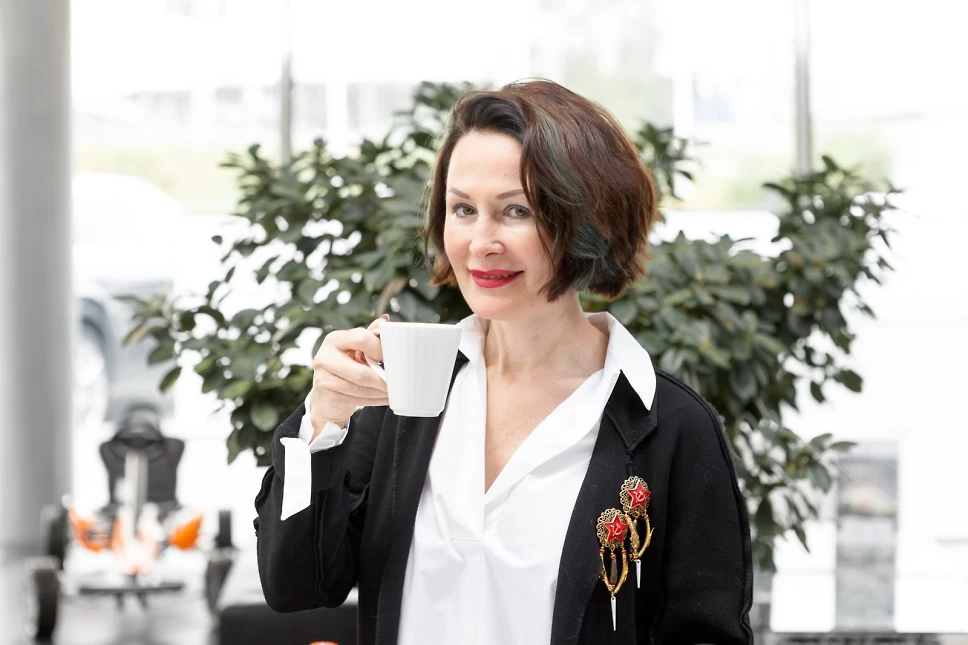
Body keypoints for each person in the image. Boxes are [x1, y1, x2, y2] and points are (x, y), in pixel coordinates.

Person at [254, 79, 753, 645]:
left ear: (588, 222)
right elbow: (295, 585)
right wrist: (322, 422)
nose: (480, 242)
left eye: (516, 211)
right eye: (463, 209)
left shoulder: (670, 427)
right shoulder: (408, 390)